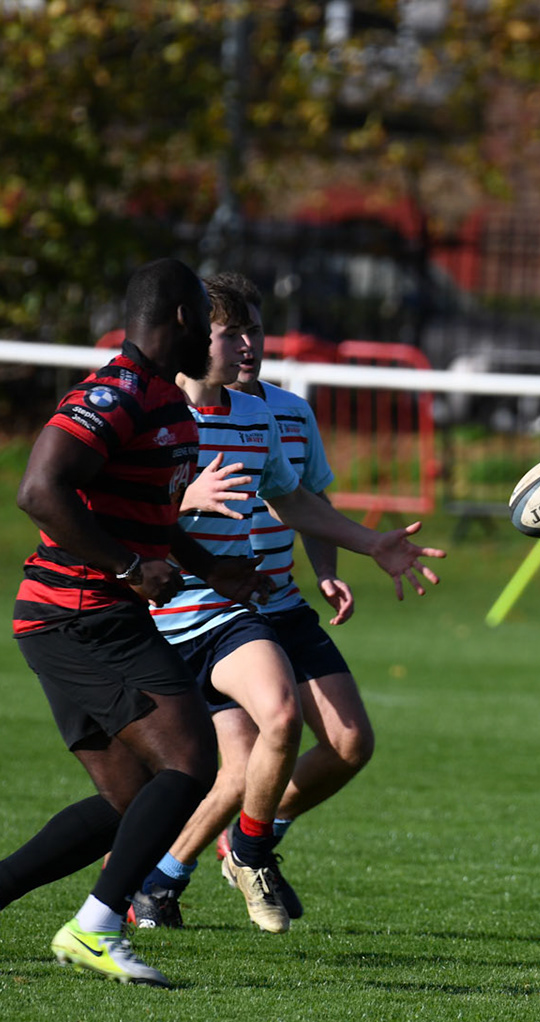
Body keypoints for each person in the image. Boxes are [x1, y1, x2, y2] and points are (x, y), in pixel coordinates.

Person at [0, 259, 268, 987]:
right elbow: (39, 490)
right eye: (206, 325)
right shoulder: (114, 393)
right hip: (79, 611)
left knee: (131, 799)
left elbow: (150, 515)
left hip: (88, 615)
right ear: (180, 319)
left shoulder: (167, 408)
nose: (217, 342)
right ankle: (96, 926)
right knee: (192, 760)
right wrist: (126, 568)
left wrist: (213, 570)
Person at [127, 271, 445, 933]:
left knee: (350, 741)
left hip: (263, 601)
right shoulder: (151, 412)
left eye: (254, 330)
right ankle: (212, 859)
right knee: (250, 753)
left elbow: (297, 499)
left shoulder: (263, 413)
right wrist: (182, 501)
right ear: (193, 336)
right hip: (187, 611)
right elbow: (110, 507)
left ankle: (220, 854)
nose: (248, 345)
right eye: (230, 334)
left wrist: (369, 545)